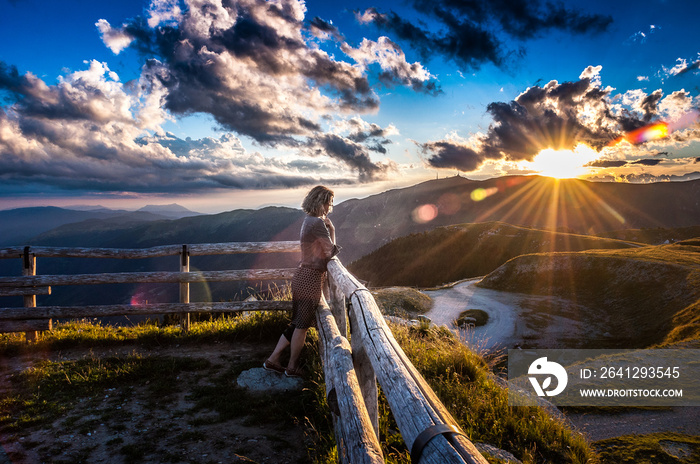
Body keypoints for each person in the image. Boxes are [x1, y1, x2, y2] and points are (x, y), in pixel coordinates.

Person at [264, 185, 340, 378]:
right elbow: (331, 251)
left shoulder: (308, 220)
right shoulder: (317, 223)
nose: (330, 207)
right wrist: (332, 229)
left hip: (301, 276)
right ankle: (292, 367)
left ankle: (273, 360)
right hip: (311, 278)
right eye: (329, 203)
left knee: (296, 323)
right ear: (320, 202)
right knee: (302, 326)